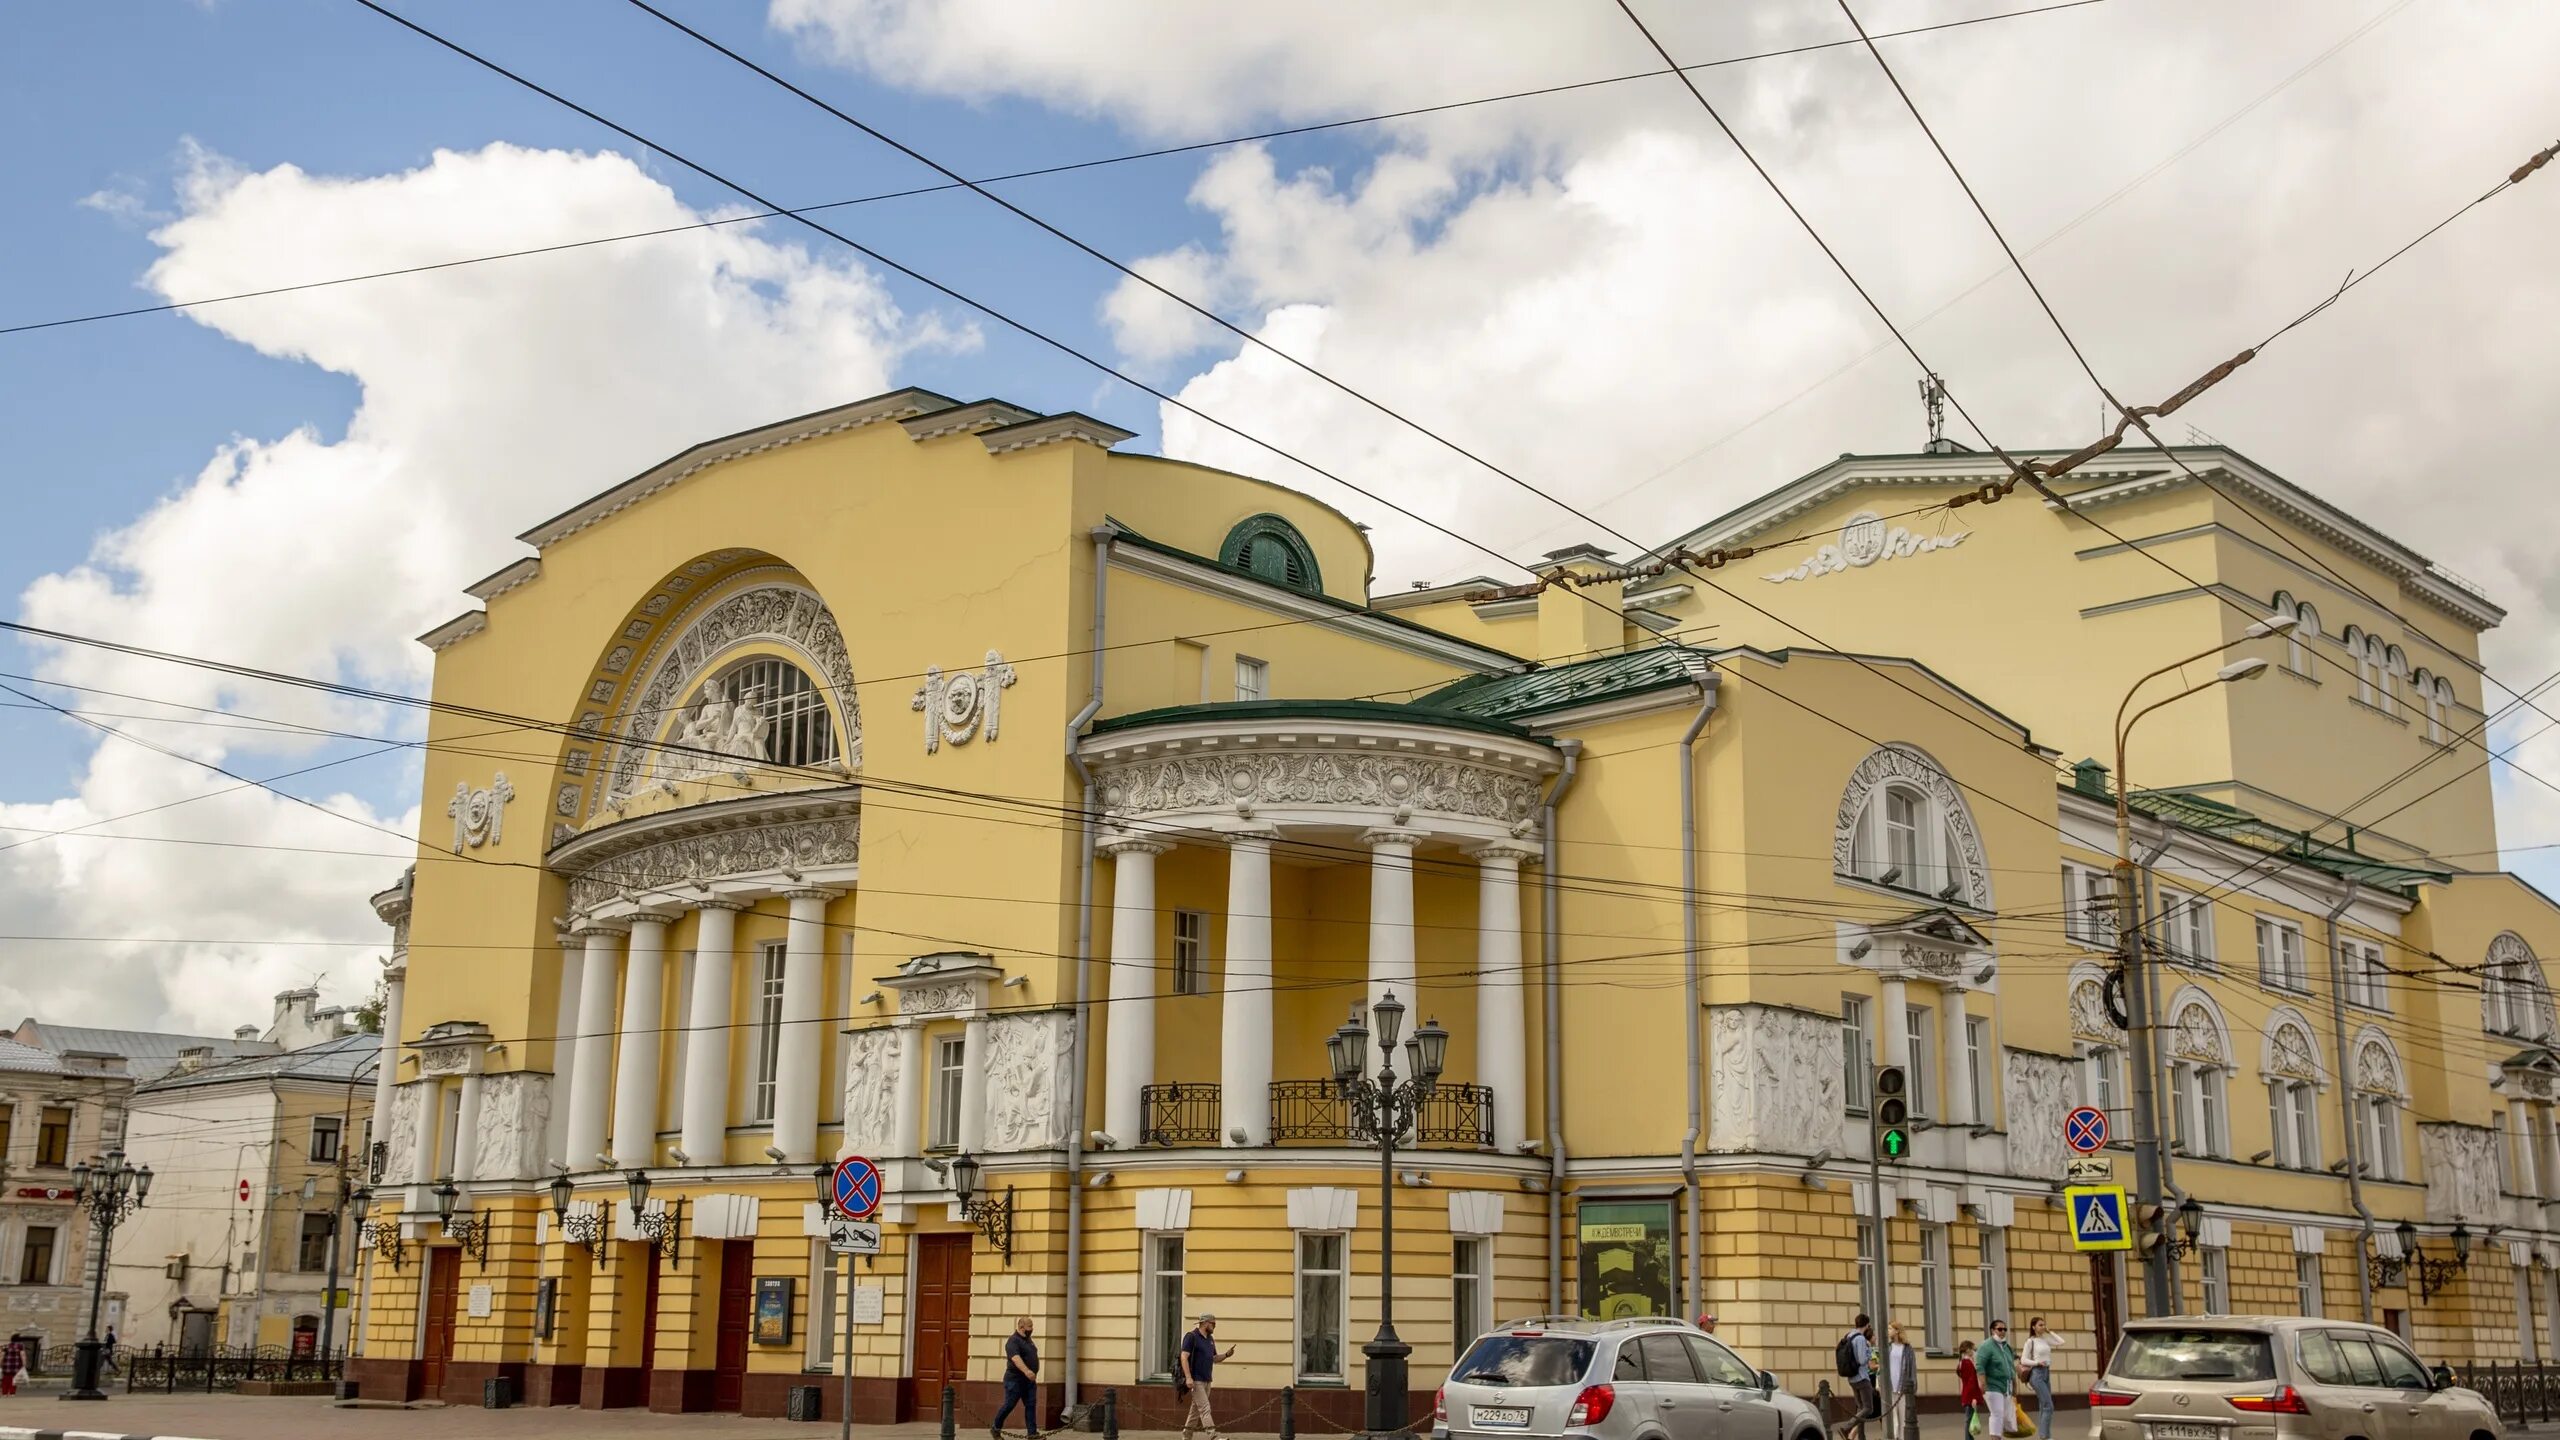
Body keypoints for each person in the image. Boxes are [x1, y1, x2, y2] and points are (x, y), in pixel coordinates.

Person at [1179, 1312, 1234, 1440]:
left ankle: (1186, 1436)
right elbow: (1184, 1357)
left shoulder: (1210, 1339)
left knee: (1196, 1410)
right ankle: (1213, 1436)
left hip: (1207, 1380)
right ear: (1204, 1323)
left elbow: (1214, 1358)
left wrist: (1226, 1355)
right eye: (1213, 1324)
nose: (1214, 1326)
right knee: (1205, 1408)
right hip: (1196, 1380)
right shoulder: (1191, 1337)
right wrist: (1188, 1377)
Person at [993, 1317, 1041, 1440]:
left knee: (1030, 1405)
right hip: (1014, 1380)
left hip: (1028, 1382)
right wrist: (1027, 1371)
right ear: (1021, 1327)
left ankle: (1032, 1433)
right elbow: (1015, 1358)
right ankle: (995, 1428)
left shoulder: (1028, 1340)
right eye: (1029, 1327)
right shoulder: (1013, 1341)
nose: (1032, 1329)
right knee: (1009, 1405)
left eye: (1032, 1326)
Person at [1836, 1313, 1878, 1440]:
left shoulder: (1849, 1335)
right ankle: (1847, 1428)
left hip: (1852, 1377)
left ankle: (1861, 1437)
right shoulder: (1860, 1339)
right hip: (1861, 1377)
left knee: (1861, 1409)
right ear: (1866, 1324)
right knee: (1868, 1409)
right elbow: (1861, 1360)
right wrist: (1869, 1351)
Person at [1978, 1320, 2019, 1439]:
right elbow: (1980, 1365)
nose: (2002, 1332)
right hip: (1992, 1385)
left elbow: (2010, 1366)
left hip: (2006, 1386)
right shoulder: (1986, 1346)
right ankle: (1995, 1438)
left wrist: (2014, 1384)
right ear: (1992, 1330)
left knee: (2005, 1416)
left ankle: (1998, 1436)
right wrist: (1983, 1383)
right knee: (1997, 1413)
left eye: (2004, 1329)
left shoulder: (2006, 1346)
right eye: (1999, 1329)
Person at [2020, 1318, 2060, 1440]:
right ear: (2033, 1327)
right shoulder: (2030, 1341)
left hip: (2046, 1373)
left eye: (2044, 1325)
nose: (2043, 1327)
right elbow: (2023, 1360)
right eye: (2040, 1325)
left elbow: (2061, 1341)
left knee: (2044, 1406)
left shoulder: (2045, 1340)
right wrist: (2037, 1363)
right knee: (2049, 1406)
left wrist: (2050, 1331)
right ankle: (2044, 1437)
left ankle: (2046, 1435)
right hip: (2037, 1374)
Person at [1886, 1322, 1919, 1440]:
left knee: (1903, 1416)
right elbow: (1882, 1367)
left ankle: (1902, 1437)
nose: (1888, 1331)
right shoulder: (1887, 1346)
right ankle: (1895, 1437)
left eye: (1890, 1328)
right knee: (1893, 1418)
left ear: (1897, 1331)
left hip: (1903, 1387)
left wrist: (1913, 1386)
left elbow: (1912, 1368)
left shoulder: (1907, 1348)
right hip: (1890, 1386)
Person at [1956, 1341, 1985, 1439]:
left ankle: (1969, 1438)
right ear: (1968, 1350)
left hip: (1967, 1394)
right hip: (1970, 1395)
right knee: (1969, 1419)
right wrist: (1974, 1397)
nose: (1974, 1351)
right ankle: (1968, 1438)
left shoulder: (1962, 1362)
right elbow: (1971, 1382)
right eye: (1973, 1349)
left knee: (1970, 1418)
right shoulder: (1967, 1363)